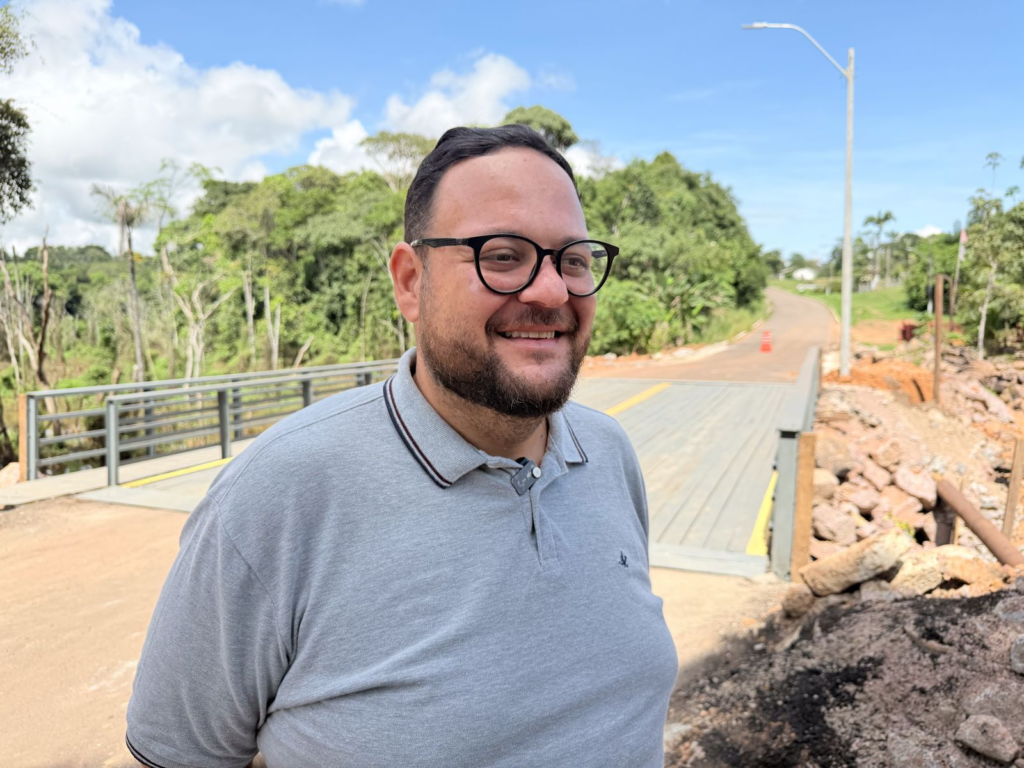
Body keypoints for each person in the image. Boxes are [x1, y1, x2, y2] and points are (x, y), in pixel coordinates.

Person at [126, 124, 678, 768]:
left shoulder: (608, 453)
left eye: (574, 259)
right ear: (411, 281)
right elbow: (178, 754)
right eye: (503, 255)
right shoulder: (280, 491)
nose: (552, 291)